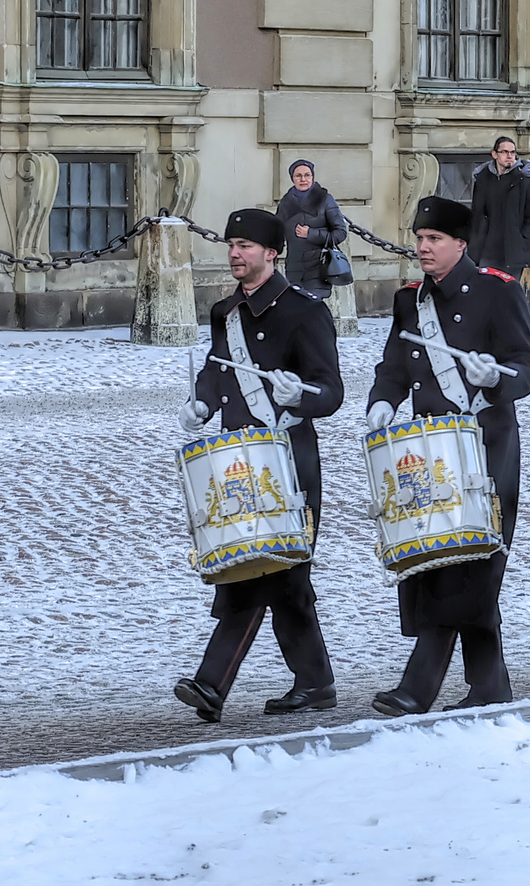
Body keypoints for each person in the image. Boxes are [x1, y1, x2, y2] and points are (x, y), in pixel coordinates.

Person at [365, 196, 530, 715]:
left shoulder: (496, 292)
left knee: (473, 566)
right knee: (442, 562)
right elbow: (395, 364)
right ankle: (489, 686)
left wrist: (498, 379)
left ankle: (418, 687)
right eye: (420, 238)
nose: (423, 247)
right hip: (429, 452)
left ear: (460, 243)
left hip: (487, 448)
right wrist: (381, 400)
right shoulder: (410, 301)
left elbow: (527, 367)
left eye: (434, 239)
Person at [170, 209, 345, 721]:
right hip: (236, 462)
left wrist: (302, 394)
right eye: (231, 244)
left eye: (245, 245)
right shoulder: (226, 311)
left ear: (272, 253)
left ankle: (212, 683)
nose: (234, 254)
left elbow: (331, 391)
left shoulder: (304, 311)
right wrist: (201, 402)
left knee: (259, 570)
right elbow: (216, 367)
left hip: (287, 462)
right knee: (283, 578)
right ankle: (316, 683)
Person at [274, 159, 350, 299]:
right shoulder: (286, 202)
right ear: (292, 178)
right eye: (298, 175)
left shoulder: (324, 199)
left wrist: (311, 234)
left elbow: (340, 233)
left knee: (313, 308)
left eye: (307, 175)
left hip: (318, 267)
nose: (303, 179)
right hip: (294, 267)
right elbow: (277, 232)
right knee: (295, 308)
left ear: (312, 177)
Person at [469, 136, 530, 277]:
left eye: (512, 152)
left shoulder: (525, 182)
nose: (509, 156)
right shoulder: (482, 180)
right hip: (486, 251)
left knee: (509, 294)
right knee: (486, 294)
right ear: (494, 154)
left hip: (512, 252)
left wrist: (524, 242)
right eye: (504, 152)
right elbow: (477, 213)